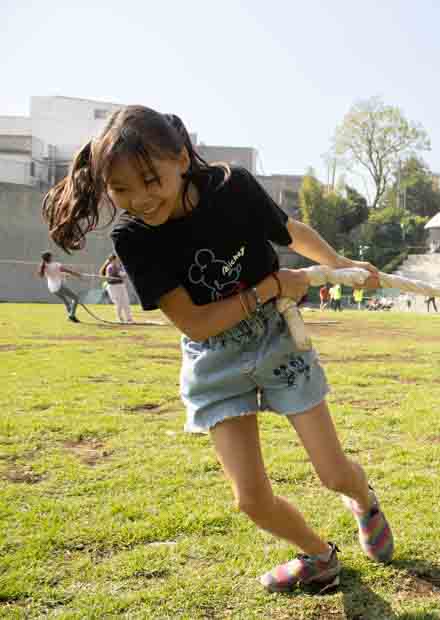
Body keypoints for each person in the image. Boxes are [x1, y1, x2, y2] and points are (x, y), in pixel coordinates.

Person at [41, 106, 393, 592]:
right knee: (250, 500)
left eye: (151, 180)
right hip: (214, 358)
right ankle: (319, 556)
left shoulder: (233, 187)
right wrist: (272, 285)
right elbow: (196, 324)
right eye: (121, 189)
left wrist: (338, 263)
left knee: (334, 474)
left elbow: (290, 231)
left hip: (277, 338)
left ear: (182, 159)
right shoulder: (132, 237)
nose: (140, 199)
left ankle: (364, 501)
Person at [37, 251, 84, 323]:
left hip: (52, 289)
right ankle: (71, 315)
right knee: (75, 298)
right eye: (51, 256)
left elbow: (54, 274)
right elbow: (67, 270)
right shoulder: (56, 264)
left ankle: (71, 316)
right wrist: (77, 274)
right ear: (50, 257)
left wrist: (65, 275)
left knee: (66, 302)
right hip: (59, 286)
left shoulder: (43, 266)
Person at [100, 253, 133, 323]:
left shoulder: (119, 266)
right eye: (116, 259)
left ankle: (129, 319)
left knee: (126, 301)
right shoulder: (110, 267)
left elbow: (122, 274)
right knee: (119, 303)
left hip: (121, 285)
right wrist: (122, 275)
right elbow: (117, 276)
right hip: (113, 287)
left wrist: (125, 274)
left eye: (117, 259)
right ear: (112, 260)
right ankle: (120, 318)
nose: (118, 260)